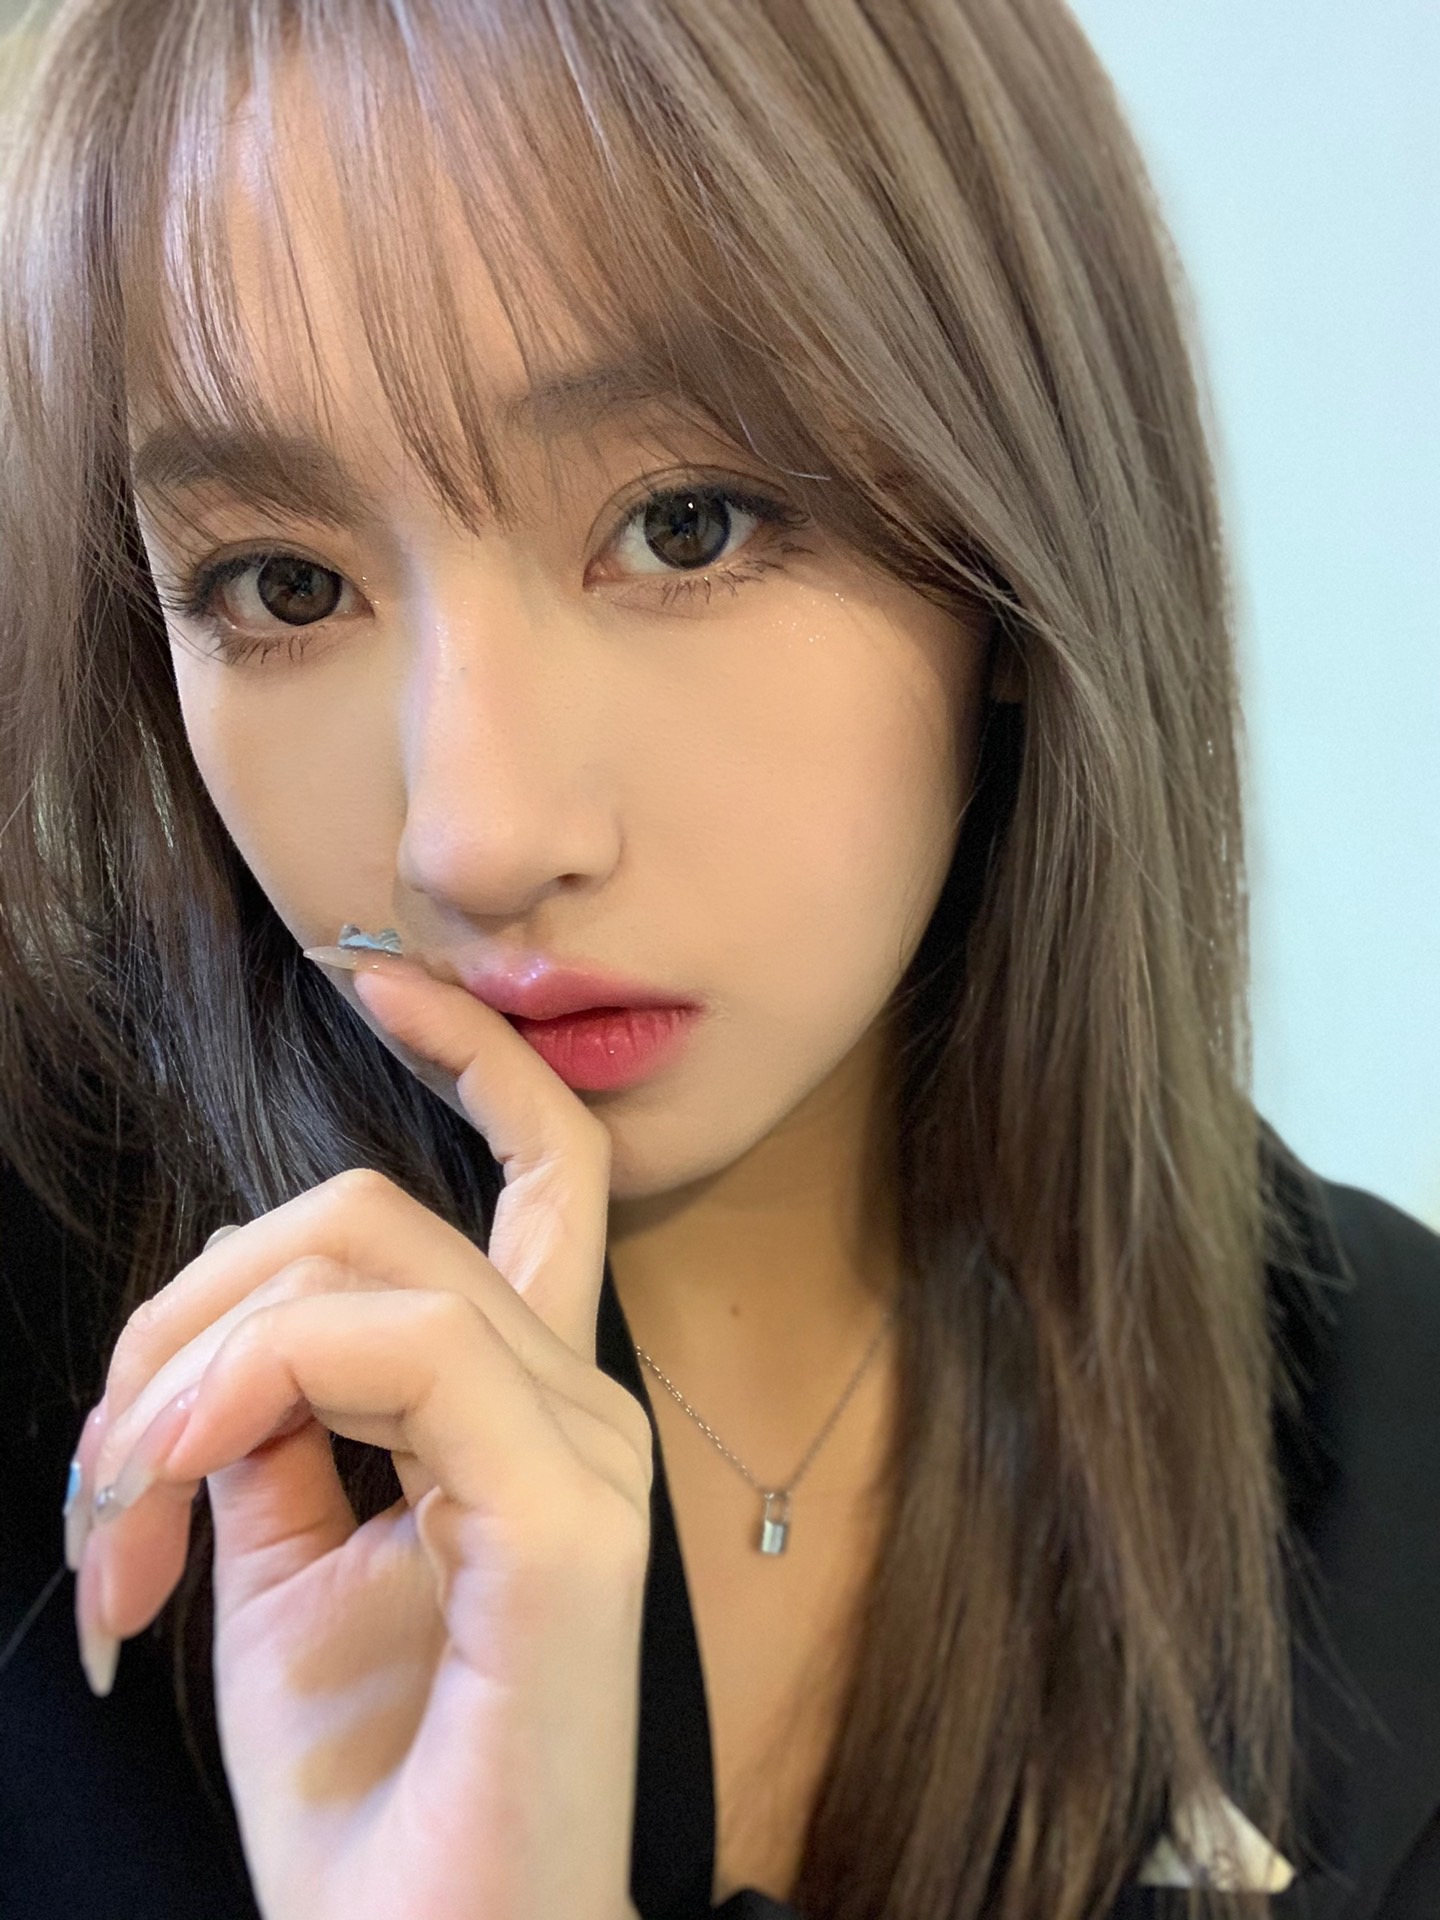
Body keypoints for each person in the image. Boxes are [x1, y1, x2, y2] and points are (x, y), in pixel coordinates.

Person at [1, 0, 1437, 1916]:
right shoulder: (62, 1352)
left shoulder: (1384, 1455)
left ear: (1015, 555)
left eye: (686, 526)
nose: (476, 837)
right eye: (285, 584)